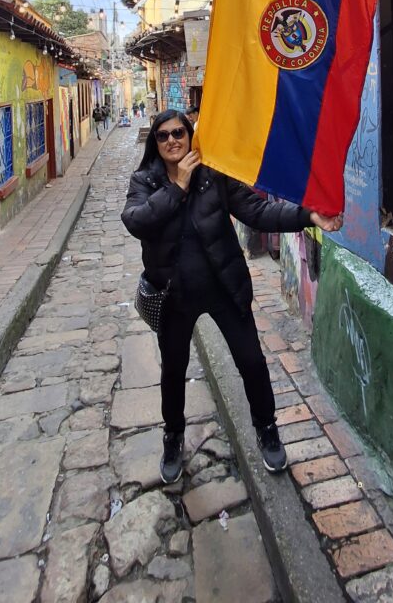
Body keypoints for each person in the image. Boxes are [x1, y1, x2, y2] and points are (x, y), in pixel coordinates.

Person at [121, 109, 342, 484]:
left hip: (223, 288)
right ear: (155, 144)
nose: (173, 140)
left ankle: (267, 428)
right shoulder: (145, 181)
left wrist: (308, 216)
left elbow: (259, 211)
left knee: (252, 363)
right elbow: (135, 221)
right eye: (164, 136)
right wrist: (178, 188)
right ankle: (173, 437)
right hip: (173, 297)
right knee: (173, 372)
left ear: (190, 136)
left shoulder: (214, 176)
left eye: (179, 133)